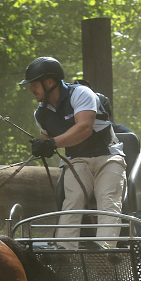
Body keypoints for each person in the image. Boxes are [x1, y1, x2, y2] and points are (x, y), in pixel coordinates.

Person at [20, 56, 126, 249]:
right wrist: (40, 146)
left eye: (34, 84)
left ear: (49, 82)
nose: (31, 90)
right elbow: (47, 139)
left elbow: (84, 128)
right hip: (77, 161)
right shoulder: (40, 114)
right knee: (73, 200)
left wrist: (51, 143)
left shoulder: (80, 93)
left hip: (108, 157)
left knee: (108, 199)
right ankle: (65, 253)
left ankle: (104, 252)